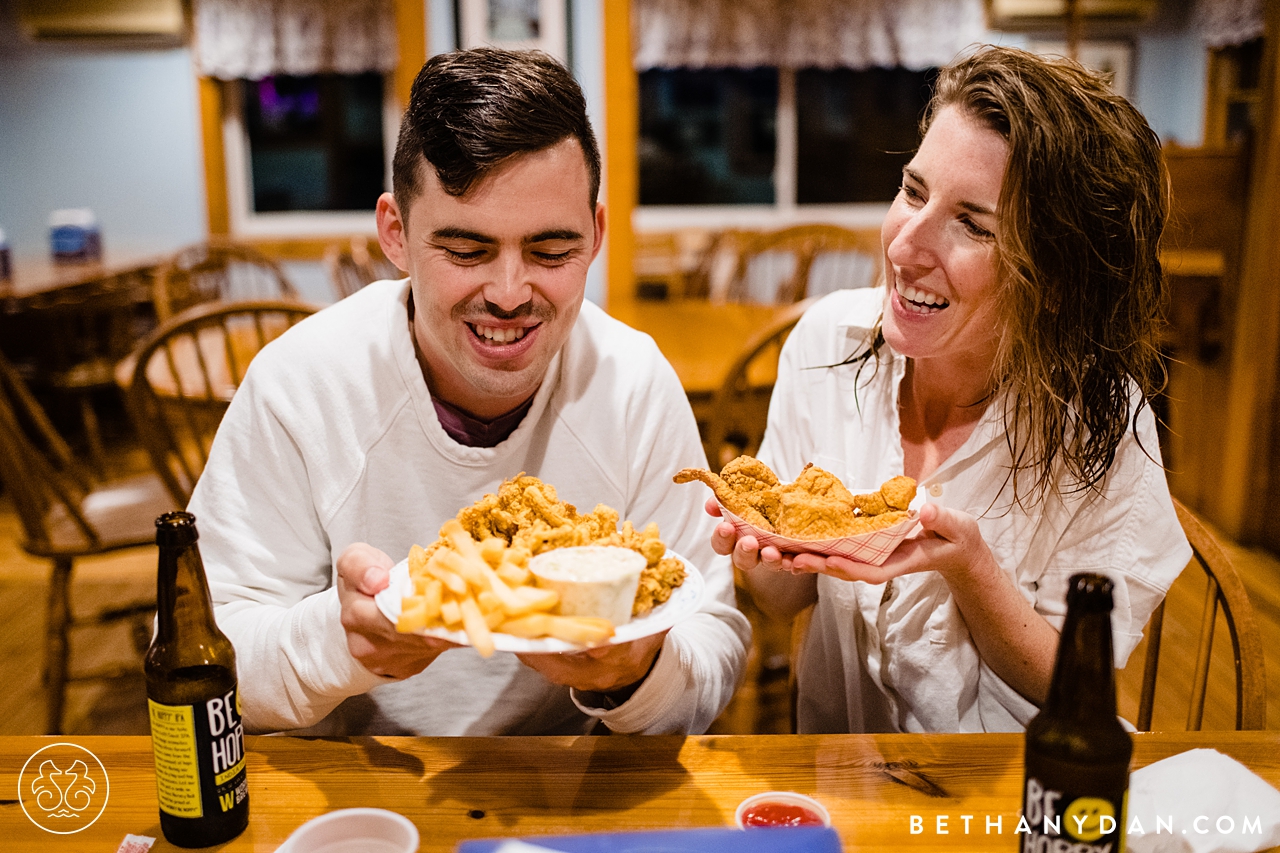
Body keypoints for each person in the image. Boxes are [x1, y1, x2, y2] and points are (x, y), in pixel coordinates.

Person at [189, 48, 749, 736]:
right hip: (363, 806)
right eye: (465, 250)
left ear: (596, 235)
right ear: (395, 233)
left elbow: (713, 646)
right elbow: (204, 657)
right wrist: (342, 641)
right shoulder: (299, 384)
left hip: (576, 801)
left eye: (551, 251)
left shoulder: (633, 384)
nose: (510, 294)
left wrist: (633, 672)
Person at [715, 46, 1190, 733]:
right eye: (913, 191)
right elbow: (785, 600)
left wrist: (970, 568)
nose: (905, 247)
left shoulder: (1100, 428)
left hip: (1002, 801)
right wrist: (760, 550)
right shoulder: (826, 345)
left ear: (1053, 282)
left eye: (973, 224)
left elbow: (1074, 683)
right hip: (838, 786)